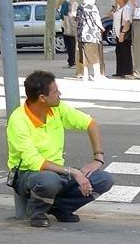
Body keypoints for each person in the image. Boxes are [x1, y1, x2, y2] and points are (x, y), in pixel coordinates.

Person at [7, 70, 114, 228]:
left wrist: (98, 158)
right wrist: (73, 172)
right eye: (56, 92)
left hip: (59, 172)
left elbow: (90, 123)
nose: (60, 94)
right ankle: (37, 212)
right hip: (27, 174)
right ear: (42, 98)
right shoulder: (18, 120)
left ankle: (60, 207)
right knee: (49, 181)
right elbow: (34, 161)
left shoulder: (56, 108)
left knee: (104, 179)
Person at [75, 0, 104, 82]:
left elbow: (77, 20)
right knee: (95, 56)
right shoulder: (93, 7)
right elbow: (96, 20)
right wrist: (101, 28)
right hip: (92, 34)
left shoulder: (80, 7)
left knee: (84, 56)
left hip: (82, 34)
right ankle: (96, 75)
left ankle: (85, 75)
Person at [111, 0, 133, 77]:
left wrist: (123, 33)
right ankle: (120, 71)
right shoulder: (119, 9)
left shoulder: (126, 9)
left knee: (125, 52)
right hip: (117, 32)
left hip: (122, 31)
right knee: (119, 52)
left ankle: (127, 71)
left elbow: (127, 21)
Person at [56, 0, 77, 68]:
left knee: (71, 43)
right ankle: (70, 61)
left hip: (70, 23)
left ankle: (74, 61)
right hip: (63, 23)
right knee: (67, 43)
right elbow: (57, 8)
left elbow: (73, 11)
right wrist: (60, 0)